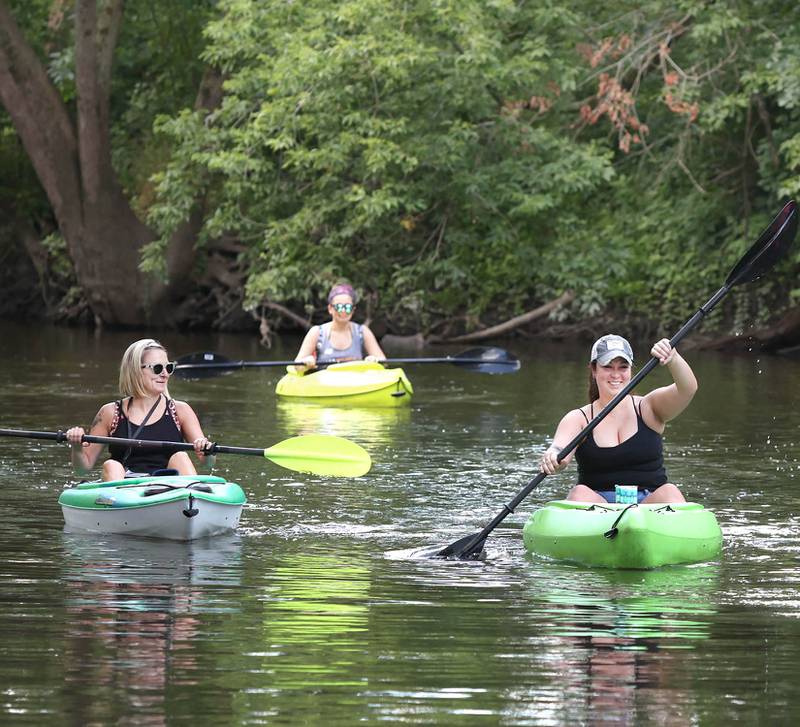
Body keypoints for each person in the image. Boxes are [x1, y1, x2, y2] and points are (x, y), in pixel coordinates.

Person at [540, 334, 697, 504]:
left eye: (623, 367)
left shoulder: (648, 407)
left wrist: (673, 358)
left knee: (670, 491)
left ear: (630, 370)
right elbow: (560, 448)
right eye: (608, 367)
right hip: (598, 505)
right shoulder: (578, 418)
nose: (616, 375)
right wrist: (553, 455)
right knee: (579, 493)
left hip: (650, 505)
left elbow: (687, 389)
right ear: (594, 370)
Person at [65, 339, 214, 480]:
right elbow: (82, 470)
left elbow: (208, 463)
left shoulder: (181, 411)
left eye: (168, 368)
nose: (165, 374)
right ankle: (121, 503)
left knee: (181, 457)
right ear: (135, 370)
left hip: (170, 488)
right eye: (157, 368)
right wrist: (76, 447)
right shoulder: (110, 413)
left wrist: (207, 451)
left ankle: (192, 497)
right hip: (126, 489)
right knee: (111, 465)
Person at [294, 282, 386, 368]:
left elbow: (384, 362)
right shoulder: (317, 332)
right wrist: (306, 363)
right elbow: (297, 365)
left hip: (355, 382)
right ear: (330, 309)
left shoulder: (362, 331)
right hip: (325, 383)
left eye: (347, 307)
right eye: (339, 307)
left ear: (353, 309)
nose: (343, 311)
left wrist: (374, 360)